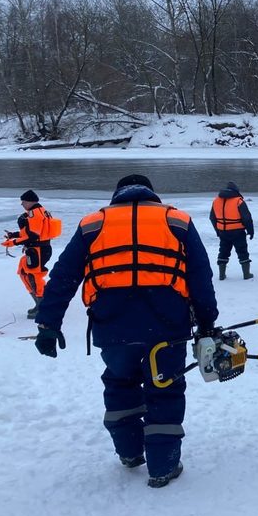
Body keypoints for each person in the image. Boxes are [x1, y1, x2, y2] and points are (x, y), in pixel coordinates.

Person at [33, 174, 218, 488]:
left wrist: (48, 324)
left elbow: (64, 276)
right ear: (152, 194)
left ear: (116, 195)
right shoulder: (177, 221)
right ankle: (162, 465)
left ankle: (130, 452)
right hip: (167, 325)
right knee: (165, 388)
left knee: (120, 383)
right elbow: (200, 276)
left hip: (113, 323)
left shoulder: (93, 224)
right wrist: (207, 324)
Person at [2, 189, 60, 319]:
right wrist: (14, 235)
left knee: (34, 277)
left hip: (37, 250)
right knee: (24, 272)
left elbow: (33, 235)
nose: (22, 205)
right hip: (37, 249)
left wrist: (14, 242)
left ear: (30, 202)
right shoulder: (40, 211)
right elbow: (30, 232)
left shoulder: (35, 214)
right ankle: (40, 303)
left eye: (23, 202)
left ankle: (42, 306)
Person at [209, 181, 254, 280]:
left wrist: (217, 230)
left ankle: (221, 275)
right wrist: (250, 231)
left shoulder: (216, 201)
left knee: (223, 251)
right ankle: (246, 274)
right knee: (242, 252)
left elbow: (212, 217)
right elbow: (247, 218)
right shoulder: (239, 201)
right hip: (238, 232)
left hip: (223, 232)